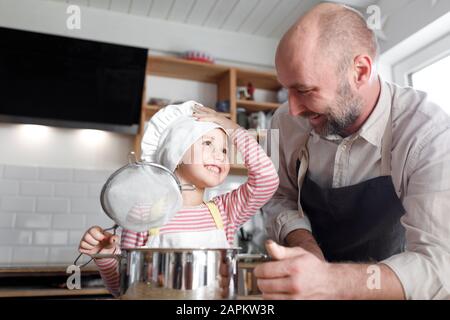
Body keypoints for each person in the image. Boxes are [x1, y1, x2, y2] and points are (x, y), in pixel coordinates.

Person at [256, 3, 450, 299]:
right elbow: (275, 196)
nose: (292, 109)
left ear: (360, 71)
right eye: (286, 90)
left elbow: (440, 266)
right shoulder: (283, 122)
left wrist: (329, 281)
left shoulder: (429, 132)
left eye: (305, 91)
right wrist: (305, 246)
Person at [78, 101, 279, 296]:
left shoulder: (225, 211)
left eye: (225, 150)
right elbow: (123, 289)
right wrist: (105, 257)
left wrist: (234, 129)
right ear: (176, 152)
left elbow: (267, 179)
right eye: (208, 143)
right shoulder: (143, 215)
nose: (220, 155)